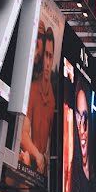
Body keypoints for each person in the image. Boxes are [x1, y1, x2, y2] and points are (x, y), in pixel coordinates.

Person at [20, 23, 56, 176]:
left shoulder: (53, 99)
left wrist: (44, 160)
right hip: (25, 168)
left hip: (40, 176)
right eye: (45, 55)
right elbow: (22, 135)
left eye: (50, 56)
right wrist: (38, 155)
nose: (47, 63)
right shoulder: (32, 89)